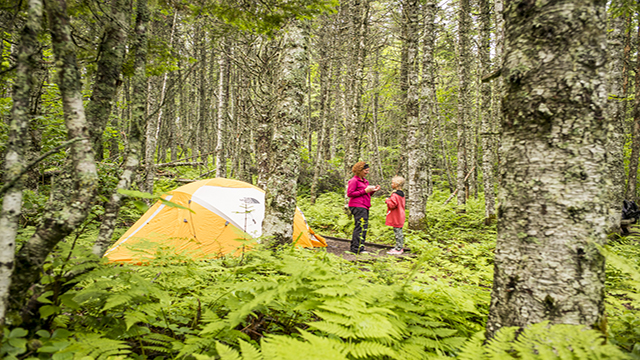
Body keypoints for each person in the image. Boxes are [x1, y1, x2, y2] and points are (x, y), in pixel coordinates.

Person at [347, 161, 380, 254]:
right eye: (365, 170)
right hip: (357, 205)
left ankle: (357, 246)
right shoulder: (354, 180)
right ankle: (357, 248)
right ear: (359, 170)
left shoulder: (365, 181)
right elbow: (350, 193)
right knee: (360, 226)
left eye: (368, 170)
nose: (367, 172)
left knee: (362, 226)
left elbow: (366, 194)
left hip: (365, 205)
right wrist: (365, 191)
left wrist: (373, 190)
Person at [385, 176, 406, 255]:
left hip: (396, 216)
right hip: (401, 215)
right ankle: (398, 247)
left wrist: (387, 200)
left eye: (392, 183)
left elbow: (392, 205)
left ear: (397, 184)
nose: (391, 184)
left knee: (398, 233)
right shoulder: (402, 194)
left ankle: (398, 249)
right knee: (399, 232)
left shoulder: (395, 195)